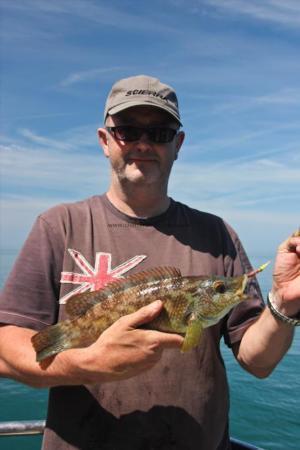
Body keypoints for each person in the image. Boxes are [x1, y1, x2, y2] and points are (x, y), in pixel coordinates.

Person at [0, 75, 299, 450]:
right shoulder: (58, 226)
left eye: (159, 133)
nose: (143, 143)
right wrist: (90, 362)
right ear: (105, 141)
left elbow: (258, 362)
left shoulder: (217, 234)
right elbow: (6, 349)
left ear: (178, 144)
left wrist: (283, 305)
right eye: (127, 130)